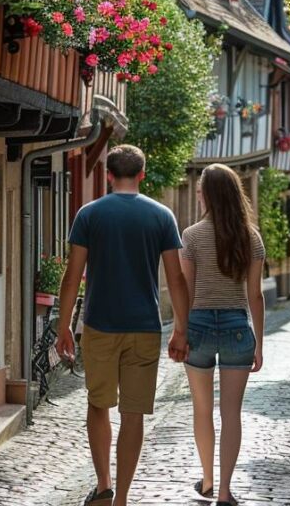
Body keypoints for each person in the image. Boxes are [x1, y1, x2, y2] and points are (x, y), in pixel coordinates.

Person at [55, 145, 190, 506]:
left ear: (109, 175)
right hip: (145, 327)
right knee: (134, 413)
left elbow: (72, 276)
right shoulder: (162, 216)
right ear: (142, 175)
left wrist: (64, 325)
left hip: (99, 325)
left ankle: (103, 486)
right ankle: (122, 499)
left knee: (98, 405)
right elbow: (176, 278)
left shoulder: (89, 215)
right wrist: (181, 328)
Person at [180, 164, 265, 506]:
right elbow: (255, 295)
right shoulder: (251, 237)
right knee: (232, 413)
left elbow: (185, 290)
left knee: (202, 409)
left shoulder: (191, 236)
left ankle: (208, 481)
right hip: (236, 327)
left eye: (200, 190)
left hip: (198, 326)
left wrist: (180, 333)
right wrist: (258, 342)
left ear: (207, 195)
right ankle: (226, 492)